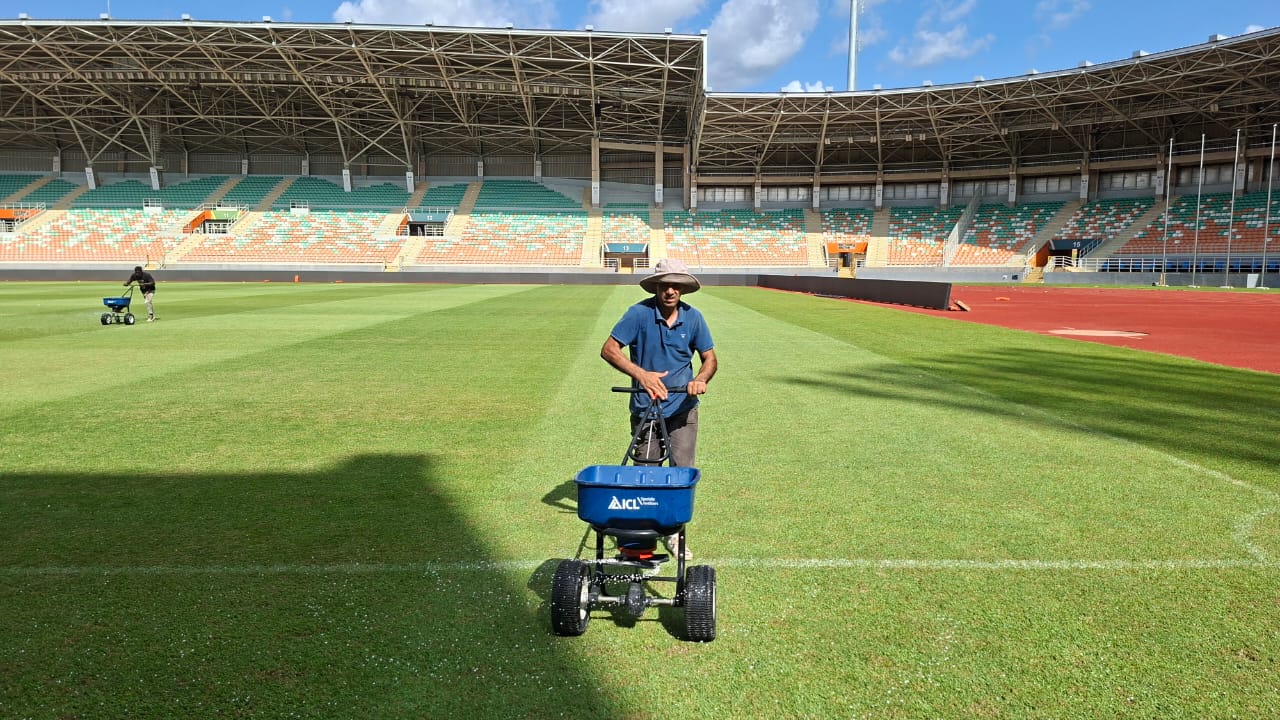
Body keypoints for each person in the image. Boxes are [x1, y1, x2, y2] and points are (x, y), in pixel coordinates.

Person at [601, 258, 717, 559]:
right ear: (656, 287)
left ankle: (676, 534)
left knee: (681, 473)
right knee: (645, 473)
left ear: (682, 289)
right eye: (665, 285)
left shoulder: (693, 318)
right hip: (646, 407)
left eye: (676, 285)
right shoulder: (639, 314)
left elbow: (709, 358)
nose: (670, 291)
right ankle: (642, 535)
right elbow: (609, 349)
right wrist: (641, 375)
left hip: (683, 407)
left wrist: (700, 379)